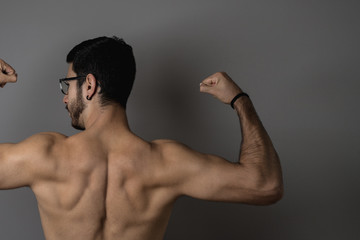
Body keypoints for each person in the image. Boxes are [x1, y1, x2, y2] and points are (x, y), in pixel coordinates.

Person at [0, 36, 283, 240]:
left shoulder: (45, 155)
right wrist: (240, 100)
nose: (64, 97)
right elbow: (266, 185)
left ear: (89, 85)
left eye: (67, 84)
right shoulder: (166, 162)